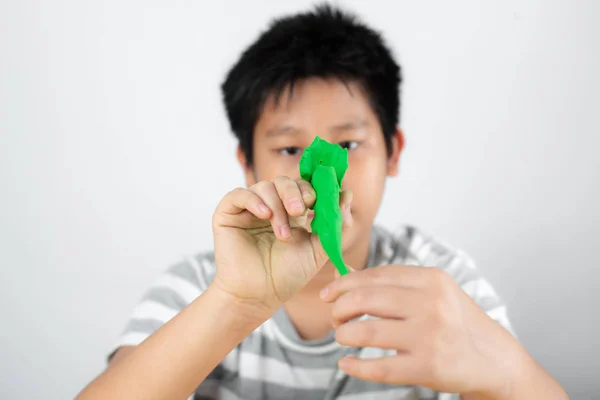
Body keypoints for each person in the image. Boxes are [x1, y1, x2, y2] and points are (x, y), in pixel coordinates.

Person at [78, 4, 567, 400]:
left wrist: (503, 372)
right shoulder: (198, 289)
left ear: (392, 152)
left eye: (348, 146)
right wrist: (234, 303)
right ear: (247, 163)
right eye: (290, 150)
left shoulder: (441, 285)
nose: (324, 179)